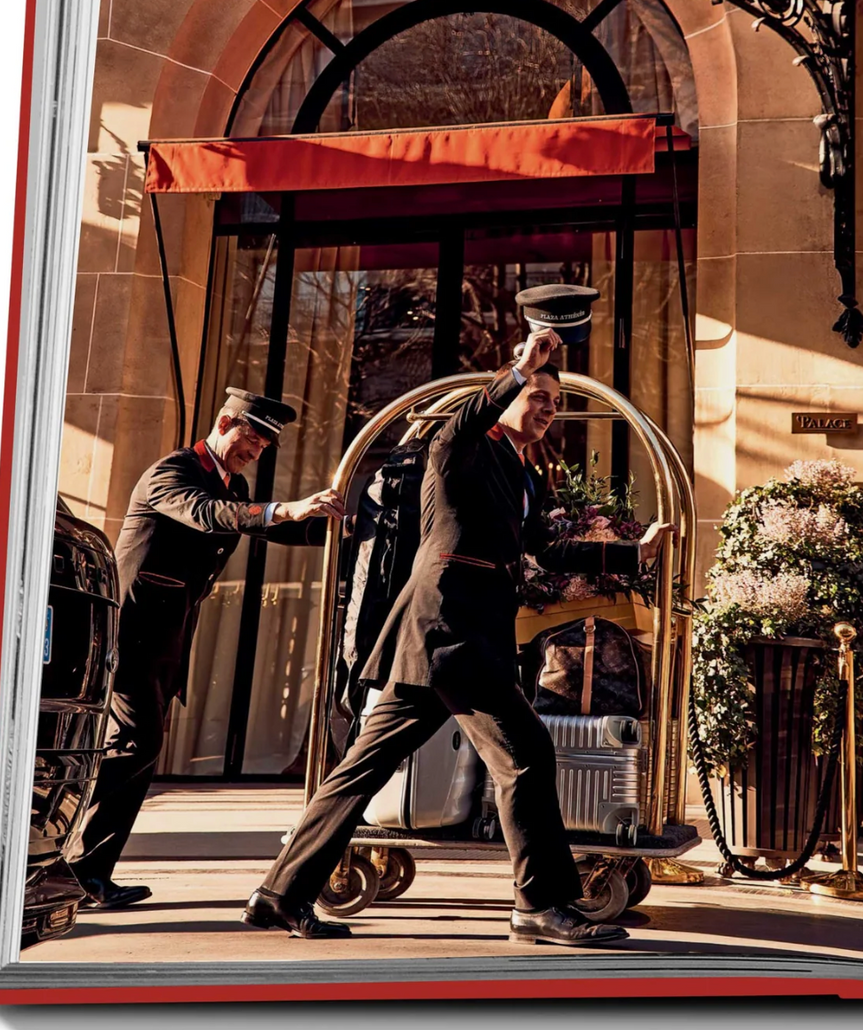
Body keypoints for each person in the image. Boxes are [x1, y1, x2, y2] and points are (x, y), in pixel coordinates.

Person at [245, 328, 667, 946]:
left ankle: (278, 895)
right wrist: (521, 365)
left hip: (449, 640)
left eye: (555, 401)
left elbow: (543, 548)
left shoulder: (524, 471)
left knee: (361, 770)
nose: (549, 408)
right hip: (450, 630)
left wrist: (629, 553)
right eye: (539, 396)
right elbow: (470, 416)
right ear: (506, 396)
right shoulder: (460, 444)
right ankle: (539, 905)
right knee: (525, 756)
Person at [67, 390, 346, 910]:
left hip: (168, 640)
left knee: (136, 751)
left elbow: (257, 523)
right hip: (129, 635)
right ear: (224, 422)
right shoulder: (171, 471)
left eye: (264, 445)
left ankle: (86, 873)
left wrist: (334, 525)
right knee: (134, 746)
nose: (255, 450)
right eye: (251, 437)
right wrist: (284, 507)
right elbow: (209, 514)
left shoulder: (233, 484)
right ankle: (79, 870)